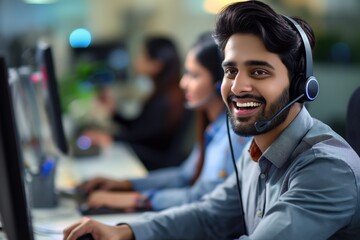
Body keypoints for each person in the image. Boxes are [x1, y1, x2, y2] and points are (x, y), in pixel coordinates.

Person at [63, 1, 360, 239]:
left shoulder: (326, 170)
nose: (238, 86)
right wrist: (125, 232)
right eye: (231, 71)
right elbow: (209, 215)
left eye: (258, 72)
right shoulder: (253, 152)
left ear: (300, 85)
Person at [78, 32, 250, 212]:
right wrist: (125, 184)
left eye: (194, 75)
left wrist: (134, 199)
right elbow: (184, 175)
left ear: (221, 81)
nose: (183, 83)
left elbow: (201, 198)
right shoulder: (213, 129)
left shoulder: (233, 137)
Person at [84, 36, 191, 170]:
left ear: (156, 65)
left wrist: (110, 138)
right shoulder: (162, 94)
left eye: (143, 55)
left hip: (157, 167)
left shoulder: (167, 100)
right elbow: (139, 129)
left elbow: (142, 139)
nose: (137, 60)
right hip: (151, 161)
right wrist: (114, 113)